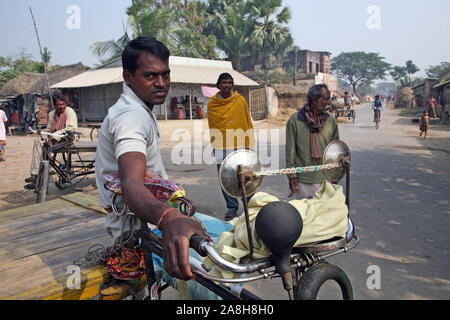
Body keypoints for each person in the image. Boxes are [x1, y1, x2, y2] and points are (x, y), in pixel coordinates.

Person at [95, 37, 207, 281]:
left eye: (165, 75)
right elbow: (131, 184)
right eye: (150, 76)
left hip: (143, 223)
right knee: (215, 274)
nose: (161, 83)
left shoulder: (136, 109)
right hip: (138, 232)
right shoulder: (130, 117)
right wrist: (167, 218)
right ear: (128, 77)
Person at [207, 73, 255, 221]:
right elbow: (213, 126)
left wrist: (248, 145)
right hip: (221, 145)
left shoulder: (240, 101)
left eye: (229, 82)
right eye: (224, 82)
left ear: (232, 84)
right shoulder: (212, 104)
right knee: (225, 177)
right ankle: (232, 208)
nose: (227, 85)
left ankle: (250, 204)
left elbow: (246, 121)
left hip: (240, 144)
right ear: (218, 85)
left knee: (244, 176)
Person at [285, 84, 339, 200]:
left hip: (325, 180)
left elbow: (335, 150)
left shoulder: (330, 121)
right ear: (315, 100)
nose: (329, 102)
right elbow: (290, 151)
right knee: (306, 215)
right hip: (303, 181)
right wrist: (291, 176)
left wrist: (335, 174)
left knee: (324, 215)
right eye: (326, 99)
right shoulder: (295, 120)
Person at [24, 93, 78, 189]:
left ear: (65, 104)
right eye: (58, 104)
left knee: (48, 148)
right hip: (54, 137)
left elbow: (70, 128)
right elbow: (49, 129)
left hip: (67, 138)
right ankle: (35, 174)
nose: (61, 106)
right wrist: (48, 136)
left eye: (62, 104)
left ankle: (44, 174)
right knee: (38, 141)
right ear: (55, 105)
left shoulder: (69, 112)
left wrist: (55, 135)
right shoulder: (51, 114)